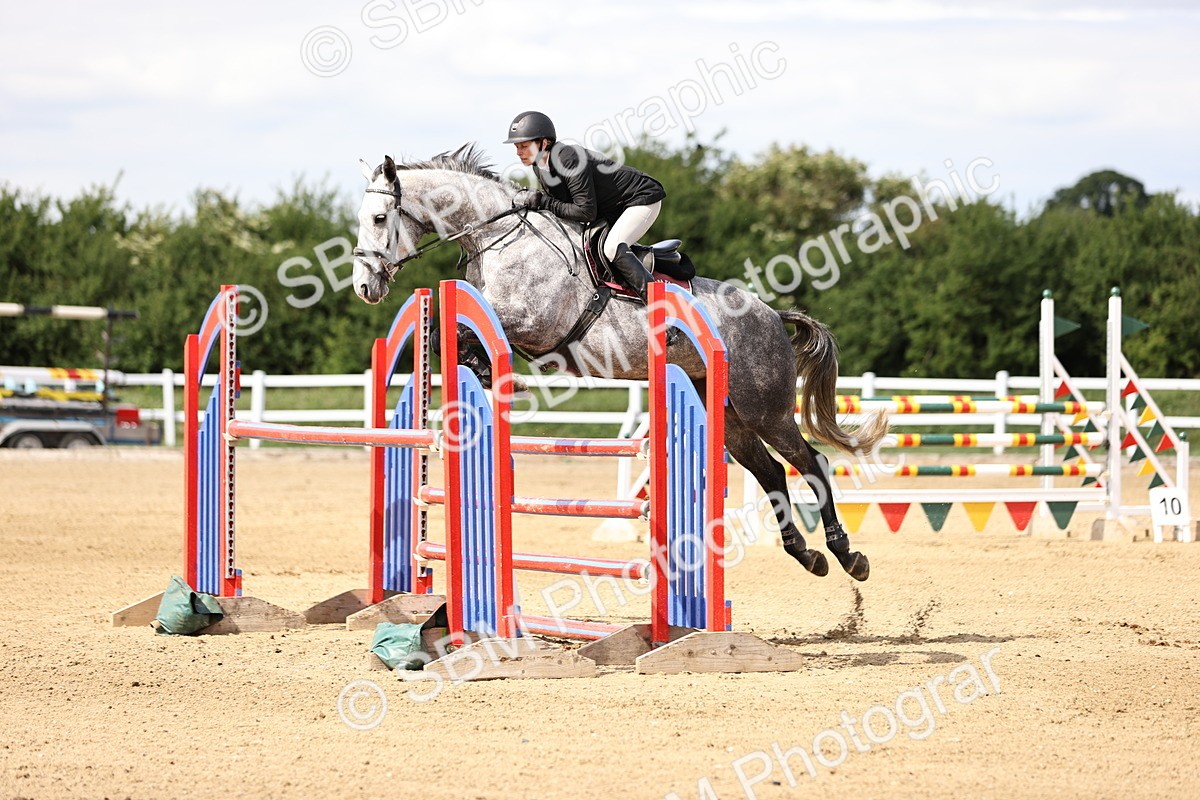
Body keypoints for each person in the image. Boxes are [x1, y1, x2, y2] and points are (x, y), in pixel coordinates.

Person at [504, 110, 666, 305]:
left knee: (612, 247)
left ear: (544, 143)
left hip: (641, 198)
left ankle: (662, 310)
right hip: (612, 209)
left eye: (524, 146)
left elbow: (585, 211)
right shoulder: (539, 165)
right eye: (516, 146)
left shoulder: (567, 158)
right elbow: (562, 205)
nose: (518, 152)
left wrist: (543, 202)